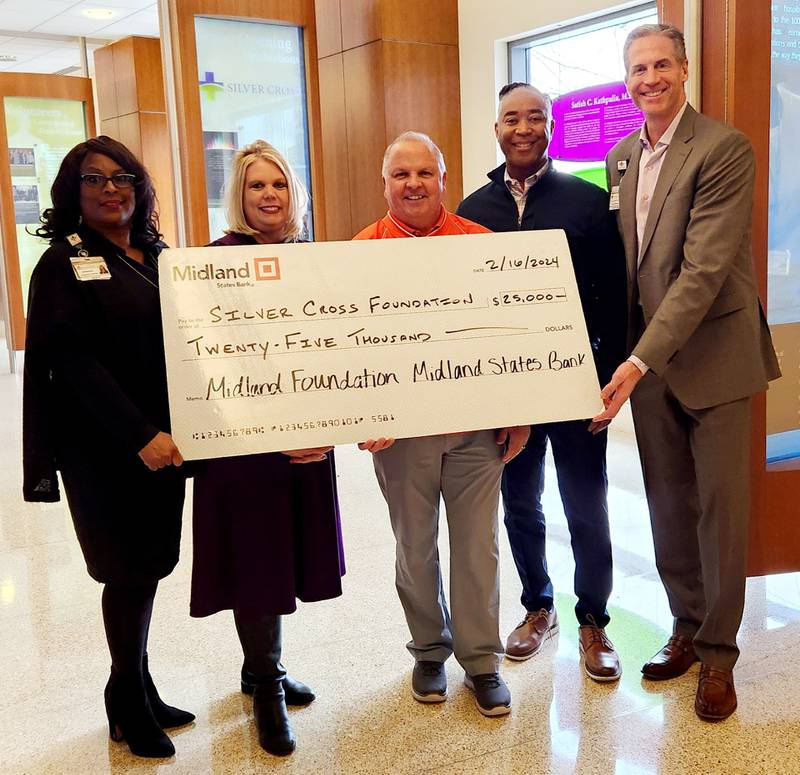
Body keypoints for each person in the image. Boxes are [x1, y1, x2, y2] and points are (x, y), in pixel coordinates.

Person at [596, 24, 781, 721]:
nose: (649, 78)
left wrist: (638, 359)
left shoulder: (724, 148)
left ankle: (720, 655)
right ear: (627, 81)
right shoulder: (621, 158)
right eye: (637, 69)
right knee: (668, 504)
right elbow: (623, 267)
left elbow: (702, 271)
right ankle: (684, 625)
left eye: (660, 65)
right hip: (651, 366)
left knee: (720, 512)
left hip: (713, 358)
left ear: (683, 70)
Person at [190, 140, 391, 756]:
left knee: (284, 557)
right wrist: (269, 436)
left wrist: (330, 421)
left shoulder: (312, 260)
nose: (269, 195)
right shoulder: (212, 263)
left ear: (293, 194)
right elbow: (205, 364)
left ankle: (259, 670)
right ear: (238, 197)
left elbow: (335, 348)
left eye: (278, 184)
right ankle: (268, 685)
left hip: (305, 441)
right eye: (256, 186)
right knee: (256, 561)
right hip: (243, 447)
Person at [23, 136, 192, 758]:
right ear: (73, 191)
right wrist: (138, 435)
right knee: (124, 572)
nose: (111, 190)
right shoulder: (61, 265)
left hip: (166, 443)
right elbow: (72, 365)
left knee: (148, 567)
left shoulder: (153, 253)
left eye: (122, 178)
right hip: (106, 448)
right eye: (94, 180)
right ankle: (124, 698)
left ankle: (139, 686)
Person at [354, 131, 529, 717]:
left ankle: (482, 663)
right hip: (401, 436)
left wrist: (519, 413)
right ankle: (429, 650)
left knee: (478, 547)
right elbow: (349, 351)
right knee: (415, 548)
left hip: (476, 431)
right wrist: (364, 413)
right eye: (400, 174)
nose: (413, 184)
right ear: (384, 185)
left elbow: (507, 335)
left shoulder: (479, 243)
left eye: (424, 173)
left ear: (443, 181)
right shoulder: (361, 251)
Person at [457, 83, 627, 682]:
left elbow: (614, 296)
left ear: (550, 125)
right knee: (521, 505)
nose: (523, 128)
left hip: (578, 380)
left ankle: (595, 620)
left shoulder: (588, 201)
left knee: (587, 502)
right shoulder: (472, 210)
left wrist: (609, 379)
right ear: (495, 128)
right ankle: (538, 607)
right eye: (511, 118)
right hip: (507, 390)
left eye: (535, 117)